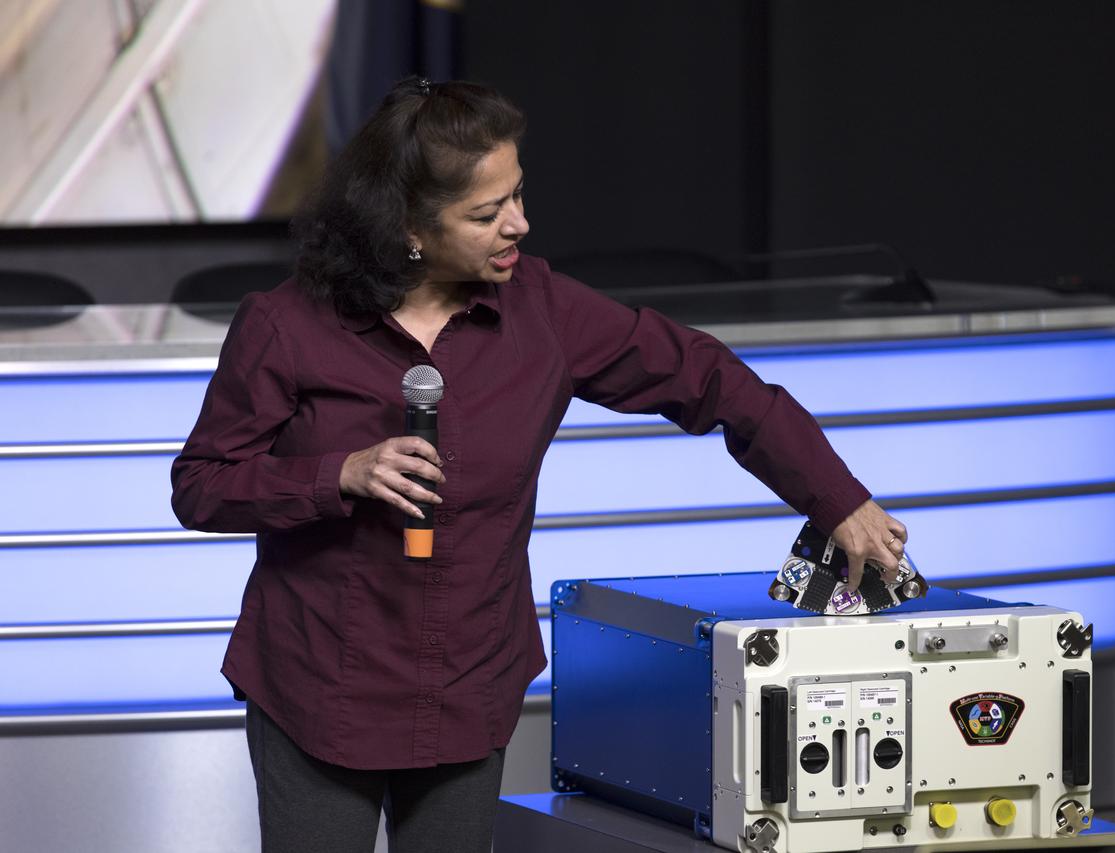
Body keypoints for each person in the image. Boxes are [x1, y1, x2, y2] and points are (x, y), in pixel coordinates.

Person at [170, 77, 908, 853]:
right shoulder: (285, 326)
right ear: (409, 228)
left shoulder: (544, 309)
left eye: (517, 194)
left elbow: (709, 378)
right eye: (487, 214)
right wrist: (339, 474)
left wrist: (836, 498)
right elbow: (203, 485)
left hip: (468, 684)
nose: (519, 224)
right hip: (319, 687)